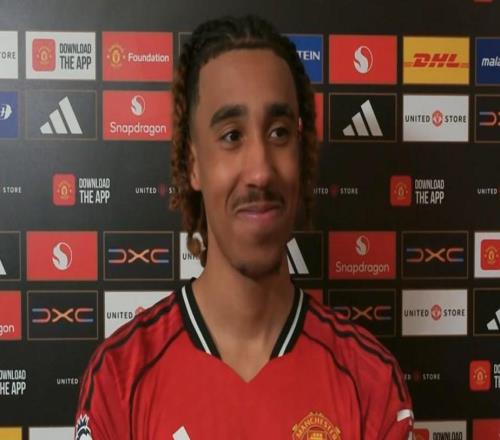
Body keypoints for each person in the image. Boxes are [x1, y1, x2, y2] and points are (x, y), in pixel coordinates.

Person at [74, 15, 413, 439]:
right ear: (193, 164)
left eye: (279, 132)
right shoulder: (120, 378)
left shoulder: (370, 382)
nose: (261, 171)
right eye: (232, 136)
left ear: (302, 154)